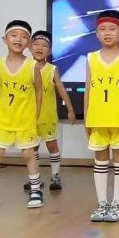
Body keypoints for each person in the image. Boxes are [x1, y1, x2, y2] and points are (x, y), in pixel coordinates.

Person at [0, 20, 44, 212]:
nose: (18, 39)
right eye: (14, 35)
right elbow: (0, 89)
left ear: (29, 43)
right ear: (5, 39)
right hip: (4, 119)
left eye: (24, 37)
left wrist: (36, 114)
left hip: (25, 119)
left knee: (29, 154)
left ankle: (36, 190)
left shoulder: (33, 66)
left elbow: (39, 91)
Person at [85, 11, 119, 222]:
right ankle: (102, 203)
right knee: (99, 161)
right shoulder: (91, 58)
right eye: (102, 29)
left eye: (112, 29)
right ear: (96, 33)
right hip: (97, 119)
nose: (107, 33)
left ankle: (116, 203)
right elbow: (88, 90)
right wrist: (87, 118)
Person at [23, 30, 76, 192]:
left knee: (52, 146)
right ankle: (35, 178)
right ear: (29, 47)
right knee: (32, 148)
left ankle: (55, 176)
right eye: (36, 44)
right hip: (29, 117)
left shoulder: (52, 69)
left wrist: (70, 110)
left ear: (50, 50)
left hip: (47, 116)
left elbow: (61, 90)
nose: (40, 48)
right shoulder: (24, 67)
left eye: (44, 45)